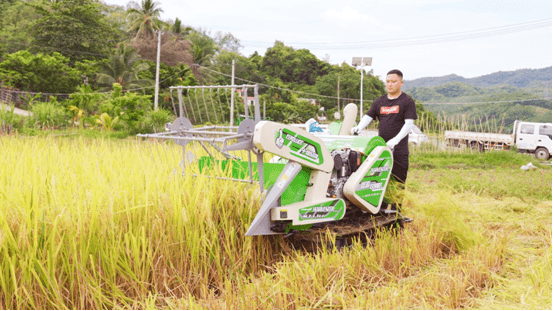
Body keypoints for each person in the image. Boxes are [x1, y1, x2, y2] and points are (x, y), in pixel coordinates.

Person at [351, 69, 417, 184]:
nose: (390, 84)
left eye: (393, 81)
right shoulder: (379, 101)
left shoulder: (407, 101)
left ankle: (397, 203)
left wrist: (396, 140)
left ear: (401, 83)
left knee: (398, 181)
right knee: (379, 181)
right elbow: (368, 116)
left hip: (399, 150)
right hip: (380, 149)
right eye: (387, 81)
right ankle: (382, 203)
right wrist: (359, 127)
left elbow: (409, 123)